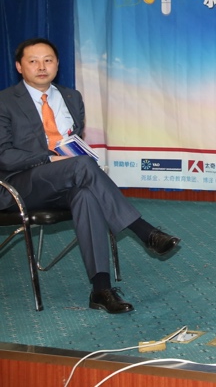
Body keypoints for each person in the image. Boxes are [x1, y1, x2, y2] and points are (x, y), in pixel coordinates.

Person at [0, 38, 181, 314]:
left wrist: (70, 157)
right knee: (82, 166)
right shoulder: (4, 102)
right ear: (19, 66)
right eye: (33, 61)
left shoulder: (71, 98)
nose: (41, 67)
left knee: (86, 195)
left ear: (57, 64)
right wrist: (49, 158)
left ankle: (101, 290)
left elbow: (72, 142)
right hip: (20, 185)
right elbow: (4, 156)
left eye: (48, 60)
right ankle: (144, 231)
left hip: (63, 181)